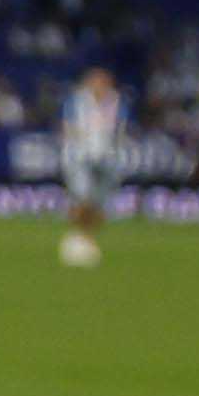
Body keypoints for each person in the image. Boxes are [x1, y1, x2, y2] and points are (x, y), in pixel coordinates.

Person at [58, 59, 128, 266]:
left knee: (99, 203)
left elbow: (120, 130)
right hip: (80, 156)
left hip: (107, 157)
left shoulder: (117, 101)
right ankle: (78, 237)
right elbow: (68, 127)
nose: (99, 85)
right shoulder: (77, 101)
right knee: (83, 197)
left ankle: (88, 238)